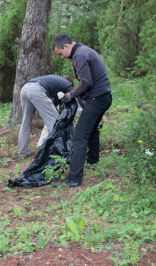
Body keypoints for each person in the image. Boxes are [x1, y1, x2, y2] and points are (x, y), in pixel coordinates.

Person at [52, 34, 112, 187]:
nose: (61, 57)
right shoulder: (85, 51)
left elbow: (86, 83)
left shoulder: (79, 55)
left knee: (79, 136)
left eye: (60, 53)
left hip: (97, 98)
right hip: (104, 97)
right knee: (91, 130)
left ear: (66, 46)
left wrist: (70, 95)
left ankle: (74, 178)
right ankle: (93, 160)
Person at [18, 75, 74, 159]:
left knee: (25, 122)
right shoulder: (67, 84)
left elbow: (53, 103)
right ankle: (57, 152)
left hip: (25, 88)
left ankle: (23, 153)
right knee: (55, 123)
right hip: (37, 90)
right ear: (71, 83)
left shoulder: (55, 82)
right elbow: (76, 97)